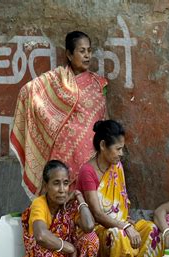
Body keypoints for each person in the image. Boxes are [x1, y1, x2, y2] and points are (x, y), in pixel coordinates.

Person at [77, 120, 164, 257]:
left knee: (151, 229)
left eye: (122, 149)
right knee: (117, 236)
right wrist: (124, 226)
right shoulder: (87, 172)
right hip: (97, 231)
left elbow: (121, 205)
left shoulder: (117, 167)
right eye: (117, 149)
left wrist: (127, 224)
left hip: (120, 223)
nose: (121, 153)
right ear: (102, 146)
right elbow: (98, 214)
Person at [11, 31, 108, 199]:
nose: (87, 55)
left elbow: (103, 118)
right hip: (64, 153)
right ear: (69, 54)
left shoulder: (98, 84)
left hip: (91, 154)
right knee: (62, 196)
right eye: (82, 51)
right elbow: (29, 91)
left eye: (89, 51)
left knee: (90, 200)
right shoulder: (57, 79)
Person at [20, 160, 99, 257]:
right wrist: (69, 248)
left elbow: (89, 227)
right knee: (44, 254)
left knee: (91, 240)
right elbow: (41, 236)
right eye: (56, 183)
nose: (62, 189)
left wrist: (80, 197)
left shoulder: (70, 207)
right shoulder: (39, 204)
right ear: (46, 186)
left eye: (66, 183)